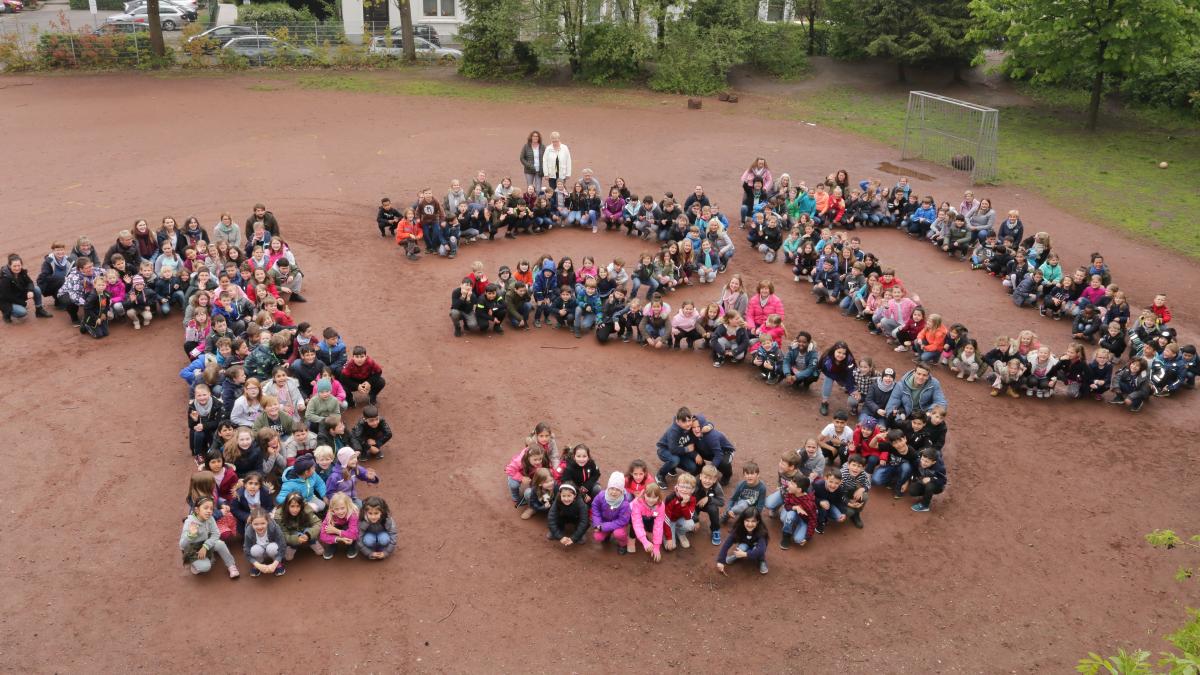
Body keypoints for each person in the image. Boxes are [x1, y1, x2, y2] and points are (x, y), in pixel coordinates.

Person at [179, 496, 240, 579]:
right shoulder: (189, 522)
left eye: (211, 509)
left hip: (205, 542)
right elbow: (182, 545)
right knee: (206, 567)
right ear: (197, 510)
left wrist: (205, 546)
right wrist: (191, 535)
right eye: (206, 508)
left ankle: (231, 566)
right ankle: (195, 564)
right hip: (192, 548)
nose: (209, 511)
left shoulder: (210, 518)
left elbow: (216, 533)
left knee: (220, 544)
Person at [1, 254, 53, 323]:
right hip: (6, 301)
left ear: (21, 265)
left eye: (19, 266)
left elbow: (30, 282)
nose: (17, 268)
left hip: (18, 295)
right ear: (10, 266)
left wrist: (30, 291)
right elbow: (7, 296)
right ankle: (6, 314)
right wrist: (22, 303)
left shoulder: (22, 272)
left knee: (36, 289)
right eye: (14, 266)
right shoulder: (5, 278)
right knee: (22, 312)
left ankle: (39, 310)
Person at [716, 509, 769, 575]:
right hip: (745, 544)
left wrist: (745, 554)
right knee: (742, 547)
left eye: (753, 521)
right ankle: (737, 556)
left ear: (758, 521)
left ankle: (761, 560)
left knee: (758, 552)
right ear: (743, 520)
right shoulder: (738, 528)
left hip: (756, 547)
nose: (750, 524)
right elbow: (726, 544)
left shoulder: (762, 531)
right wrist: (720, 561)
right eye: (747, 520)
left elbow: (761, 550)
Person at [274, 491, 325, 560]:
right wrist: (296, 539)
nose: (295, 510)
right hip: (292, 533)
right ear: (286, 505)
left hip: (305, 530)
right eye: (292, 506)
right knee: (289, 557)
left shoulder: (306, 509)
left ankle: (313, 541)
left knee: (310, 531)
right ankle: (292, 546)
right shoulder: (279, 515)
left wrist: (308, 534)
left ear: (301, 505)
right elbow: (283, 534)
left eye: (298, 506)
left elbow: (318, 523)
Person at [591, 472, 632, 554]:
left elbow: (622, 521)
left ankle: (623, 544)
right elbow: (595, 509)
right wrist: (597, 524)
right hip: (604, 521)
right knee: (597, 536)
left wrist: (603, 527)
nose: (614, 492)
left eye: (617, 490)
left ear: (622, 491)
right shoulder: (601, 496)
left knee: (619, 534)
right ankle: (607, 533)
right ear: (608, 487)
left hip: (618, 524)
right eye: (612, 488)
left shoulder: (624, 504)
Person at [242, 507, 287, 578]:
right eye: (256, 524)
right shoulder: (249, 531)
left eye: (263, 523)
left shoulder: (274, 527)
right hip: (258, 548)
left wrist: (275, 563)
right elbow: (246, 550)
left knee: (272, 548)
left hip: (271, 546)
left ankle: (276, 561)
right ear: (251, 523)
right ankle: (260, 561)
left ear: (267, 521)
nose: (259, 527)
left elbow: (282, 545)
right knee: (254, 550)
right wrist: (257, 565)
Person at [629, 483, 669, 561]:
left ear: (659, 497)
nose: (651, 500)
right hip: (633, 514)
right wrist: (644, 541)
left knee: (653, 522)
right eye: (648, 496)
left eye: (654, 497)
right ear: (644, 495)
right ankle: (631, 538)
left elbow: (659, 525)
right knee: (633, 523)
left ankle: (647, 532)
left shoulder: (661, 506)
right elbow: (637, 523)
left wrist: (656, 546)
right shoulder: (637, 503)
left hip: (649, 515)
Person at [318, 492, 360, 559]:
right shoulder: (330, 515)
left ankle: (351, 545)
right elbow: (322, 535)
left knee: (351, 531)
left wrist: (336, 531)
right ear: (332, 509)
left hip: (347, 526)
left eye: (342, 508)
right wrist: (339, 539)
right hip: (340, 528)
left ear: (347, 506)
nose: (340, 512)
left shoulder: (353, 513)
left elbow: (354, 534)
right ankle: (332, 545)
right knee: (330, 528)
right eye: (336, 509)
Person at [779, 476, 817, 549]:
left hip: (804, 520)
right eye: (791, 482)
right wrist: (796, 507)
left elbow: (813, 520)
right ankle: (786, 536)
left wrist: (808, 537)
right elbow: (786, 505)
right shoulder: (790, 492)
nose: (789, 484)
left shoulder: (809, 504)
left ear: (799, 490)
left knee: (798, 540)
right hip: (794, 513)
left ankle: (795, 525)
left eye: (792, 484)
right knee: (786, 517)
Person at [548, 482, 589, 548]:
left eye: (569, 496)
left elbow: (584, 521)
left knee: (581, 539)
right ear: (560, 494)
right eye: (563, 496)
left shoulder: (580, 502)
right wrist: (559, 536)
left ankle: (577, 531)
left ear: (574, 495)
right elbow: (551, 517)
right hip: (563, 517)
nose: (566, 499)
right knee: (552, 534)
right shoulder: (557, 499)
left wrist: (574, 538)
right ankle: (560, 529)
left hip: (576, 518)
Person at [357, 496, 397, 560]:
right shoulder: (363, 521)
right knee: (368, 540)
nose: (373, 517)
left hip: (382, 534)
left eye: (376, 513)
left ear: (382, 512)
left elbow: (393, 535)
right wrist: (369, 553)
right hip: (369, 535)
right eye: (370, 513)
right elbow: (358, 538)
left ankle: (382, 549)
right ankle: (372, 550)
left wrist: (386, 552)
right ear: (365, 512)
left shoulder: (387, 519)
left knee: (384, 539)